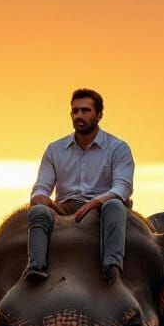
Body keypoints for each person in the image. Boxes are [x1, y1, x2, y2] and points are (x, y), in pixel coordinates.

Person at [26, 87, 135, 284]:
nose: (79, 116)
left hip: (104, 205)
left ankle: (112, 267)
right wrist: (40, 197)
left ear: (99, 114)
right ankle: (36, 267)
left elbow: (122, 188)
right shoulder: (55, 149)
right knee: (38, 211)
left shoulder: (118, 148)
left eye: (85, 110)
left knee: (115, 206)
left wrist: (95, 202)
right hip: (65, 207)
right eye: (75, 111)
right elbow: (42, 185)